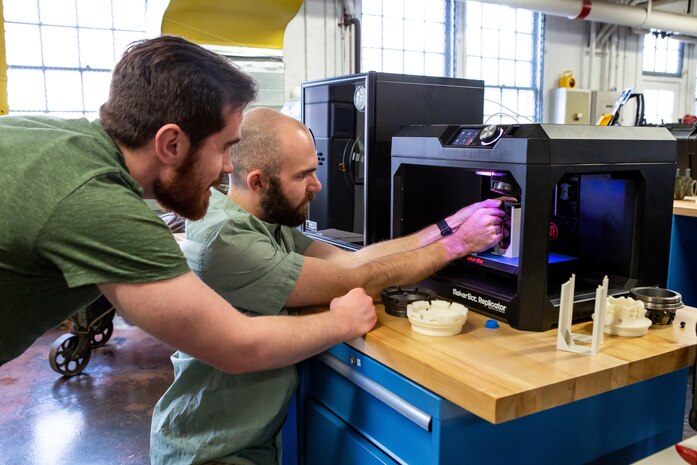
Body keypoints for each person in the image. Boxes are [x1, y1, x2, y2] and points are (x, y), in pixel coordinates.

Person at [0, 36, 376, 376]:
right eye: (225, 147)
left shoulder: (45, 135)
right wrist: (342, 321)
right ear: (171, 145)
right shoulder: (98, 203)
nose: (230, 166)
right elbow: (237, 347)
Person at [150, 107, 506, 465]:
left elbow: (353, 260)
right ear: (259, 182)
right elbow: (354, 280)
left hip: (246, 441)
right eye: (304, 175)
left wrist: (449, 226)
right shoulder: (226, 238)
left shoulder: (262, 218)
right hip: (208, 451)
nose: (317, 185)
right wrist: (458, 246)